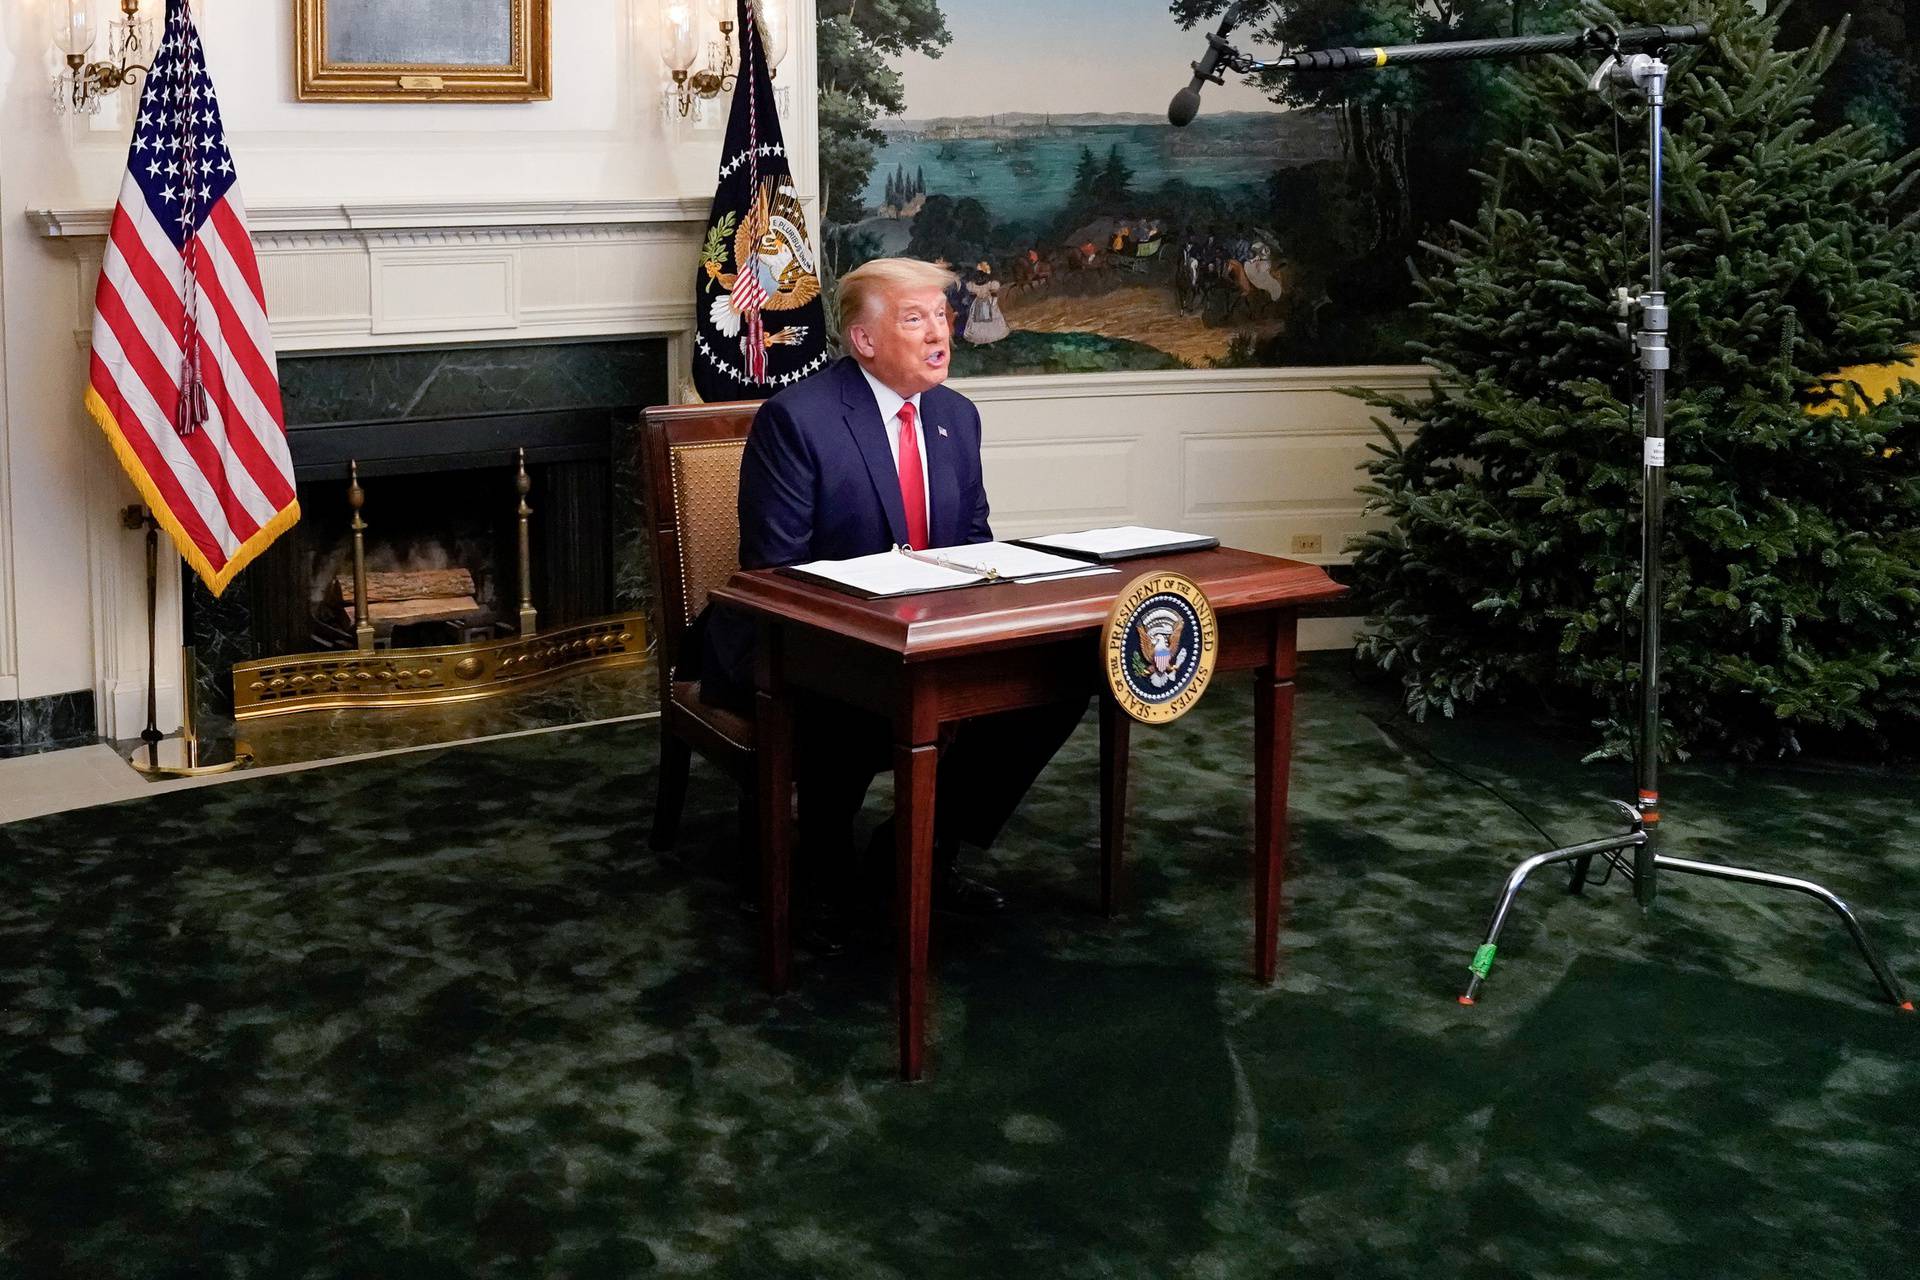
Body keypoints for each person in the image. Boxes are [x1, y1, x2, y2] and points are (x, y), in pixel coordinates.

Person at [693, 257, 1084, 924]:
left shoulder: (957, 418)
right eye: (915, 318)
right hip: (800, 637)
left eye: (941, 314)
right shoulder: (798, 420)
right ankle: (822, 877)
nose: (940, 332)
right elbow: (776, 572)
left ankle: (918, 848)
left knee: (1060, 676)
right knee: (852, 699)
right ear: (865, 340)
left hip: (922, 632)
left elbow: (972, 542)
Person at [962, 261, 1009, 346]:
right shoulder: (987, 285)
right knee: (982, 322)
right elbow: (995, 287)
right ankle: (982, 340)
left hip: (981, 302)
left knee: (981, 322)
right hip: (986, 302)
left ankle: (984, 340)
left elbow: (971, 289)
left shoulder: (974, 286)